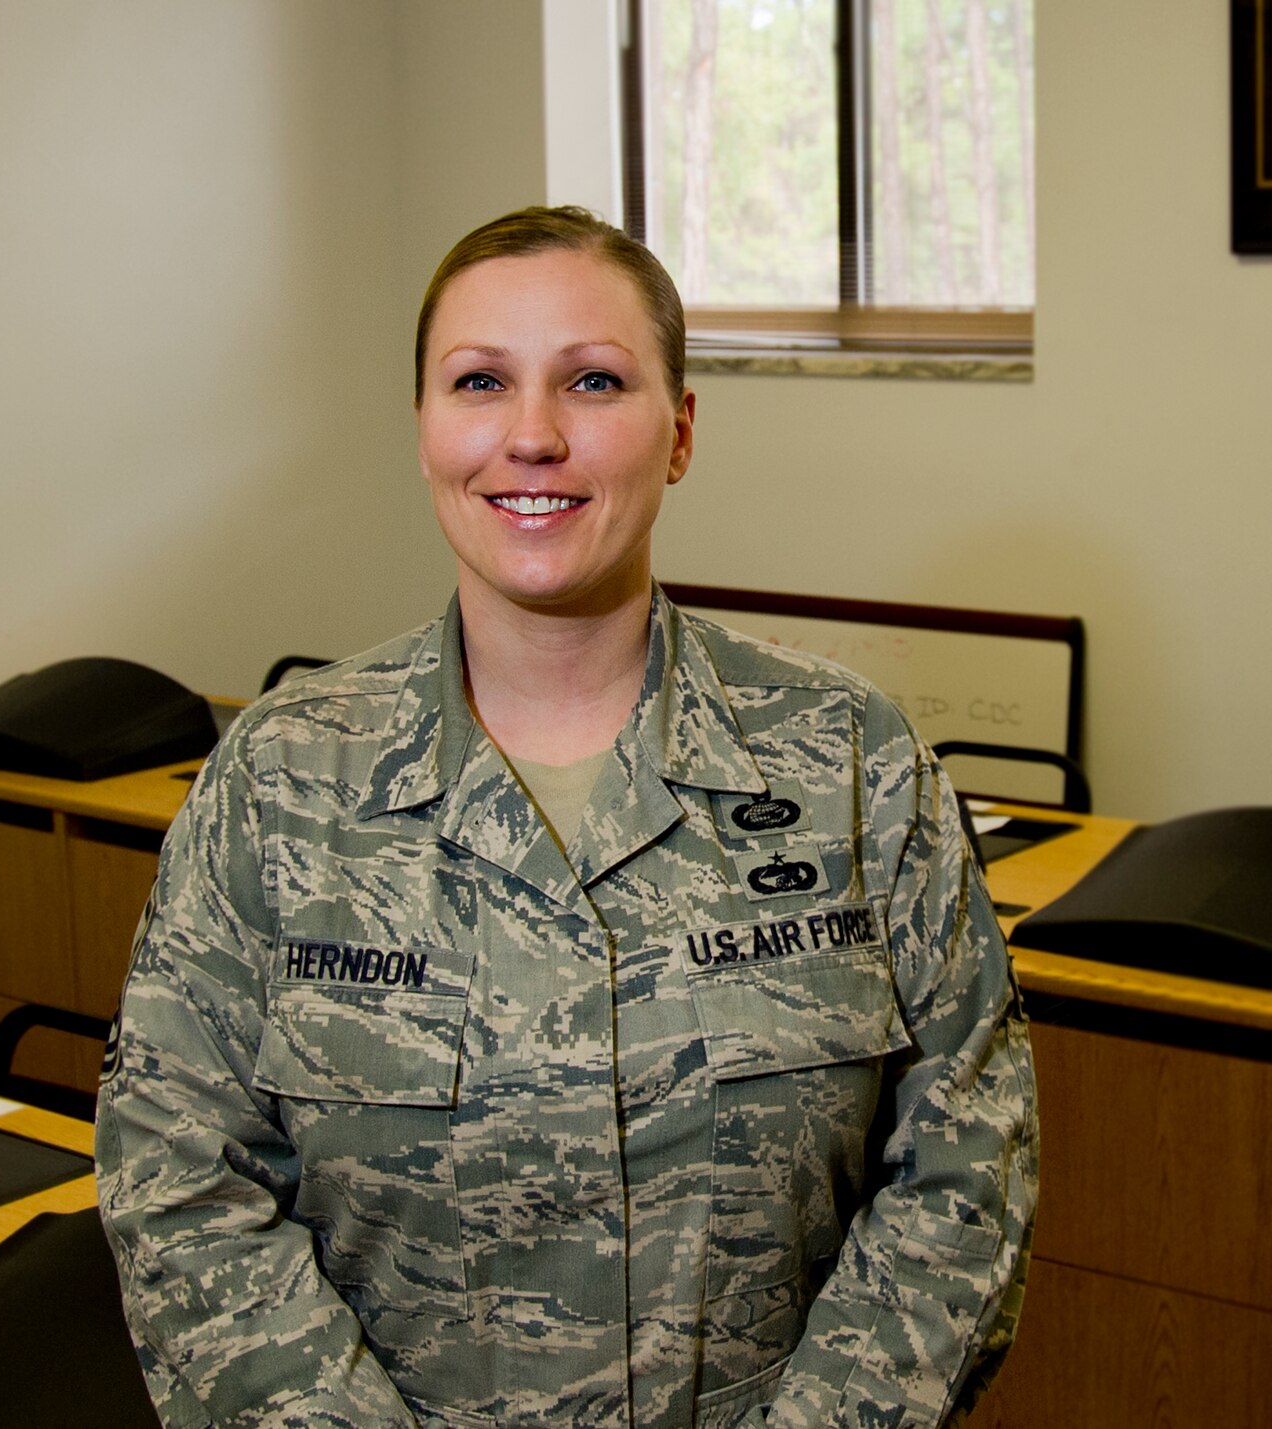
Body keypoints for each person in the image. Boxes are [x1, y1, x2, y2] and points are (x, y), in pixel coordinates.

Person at [95, 205, 1037, 1429]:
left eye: (592, 381)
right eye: (478, 381)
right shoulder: (279, 783)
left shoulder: (851, 763)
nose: (529, 436)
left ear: (680, 430)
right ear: (425, 427)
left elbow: (964, 1167)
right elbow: (177, 1181)